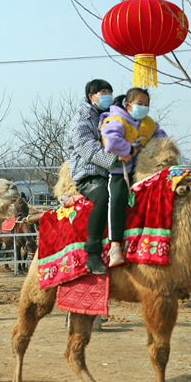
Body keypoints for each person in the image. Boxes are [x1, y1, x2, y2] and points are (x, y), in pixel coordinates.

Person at [99, 88, 167, 267]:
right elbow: (111, 142)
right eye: (140, 104)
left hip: (143, 171)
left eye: (146, 105)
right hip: (119, 172)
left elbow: (162, 140)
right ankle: (115, 246)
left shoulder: (149, 124)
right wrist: (131, 149)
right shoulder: (116, 120)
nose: (143, 108)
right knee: (118, 198)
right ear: (128, 105)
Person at [67, 79, 127, 275]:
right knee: (103, 197)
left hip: (114, 171)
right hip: (89, 174)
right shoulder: (80, 123)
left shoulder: (111, 116)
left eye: (110, 91)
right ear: (91, 96)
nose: (107, 95)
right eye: (102, 92)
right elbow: (88, 150)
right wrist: (115, 159)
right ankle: (92, 252)